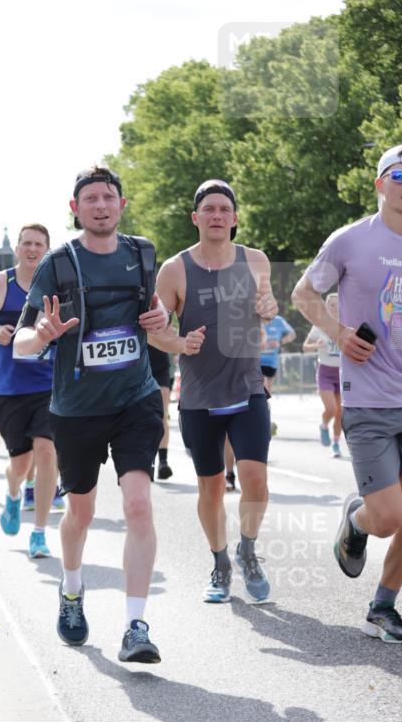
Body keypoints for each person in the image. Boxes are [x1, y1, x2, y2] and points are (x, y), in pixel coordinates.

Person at [14, 165, 169, 663]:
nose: (101, 205)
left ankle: (136, 626)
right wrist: (44, 336)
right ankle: (73, 589)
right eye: (91, 199)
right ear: (75, 209)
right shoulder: (58, 265)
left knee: (138, 507)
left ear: (121, 205)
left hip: (135, 399)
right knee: (79, 513)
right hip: (76, 410)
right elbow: (20, 343)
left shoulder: (142, 254)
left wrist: (165, 323)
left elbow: (159, 328)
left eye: (109, 197)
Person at [292, 143, 402, 643]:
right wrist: (339, 334)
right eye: (400, 174)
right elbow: (303, 294)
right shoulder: (350, 241)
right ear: (380, 184)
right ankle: (357, 522)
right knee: (387, 517)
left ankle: (382, 607)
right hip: (368, 400)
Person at [154, 178, 279, 605]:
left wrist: (269, 307)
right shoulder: (174, 270)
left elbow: (269, 305)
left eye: (224, 209)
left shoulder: (255, 260)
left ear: (235, 218)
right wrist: (179, 343)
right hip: (199, 397)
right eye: (208, 209)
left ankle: (247, 549)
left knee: (255, 479)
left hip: (248, 389)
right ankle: (220, 561)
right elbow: (155, 332)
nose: (217, 216)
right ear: (195, 218)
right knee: (209, 488)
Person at [0, 224, 58, 558]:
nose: (32, 249)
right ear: (17, 249)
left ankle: (39, 533)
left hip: (48, 384)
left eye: (39, 244)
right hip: (10, 388)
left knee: (47, 451)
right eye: (27, 244)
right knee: (20, 465)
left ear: (47, 249)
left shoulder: (56, 283)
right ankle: (11, 493)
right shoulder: (0, 283)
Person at [302, 293, 342, 456]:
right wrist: (316, 345)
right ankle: (324, 425)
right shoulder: (319, 325)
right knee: (331, 408)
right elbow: (305, 347)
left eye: (337, 304)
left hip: (342, 373)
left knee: (341, 412)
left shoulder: (346, 325)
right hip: (325, 371)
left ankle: (336, 444)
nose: (334, 307)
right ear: (326, 306)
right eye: (331, 304)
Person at [147, 343, 174, 479]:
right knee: (145, 417)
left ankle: (163, 461)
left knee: (162, 414)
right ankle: (148, 461)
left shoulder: (167, 320)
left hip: (161, 365)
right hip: (139, 365)